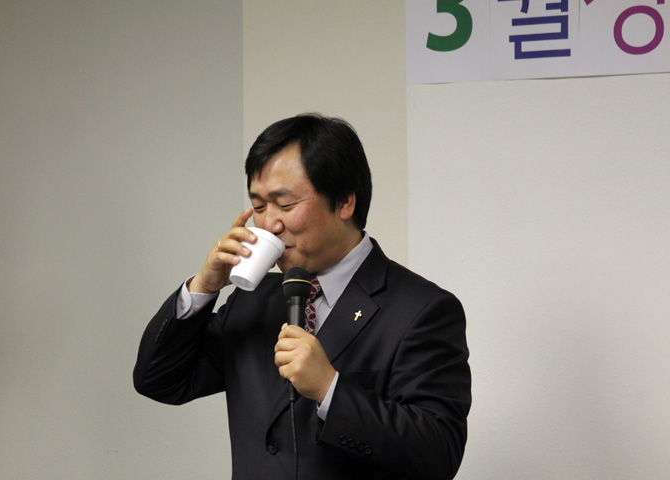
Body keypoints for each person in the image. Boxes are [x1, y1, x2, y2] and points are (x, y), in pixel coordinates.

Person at [133, 113, 471, 479]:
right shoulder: (253, 300)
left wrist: (330, 389)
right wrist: (204, 286)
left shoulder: (421, 309)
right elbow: (160, 380)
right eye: (258, 207)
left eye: (285, 205)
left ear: (345, 202)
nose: (269, 224)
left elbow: (439, 453)